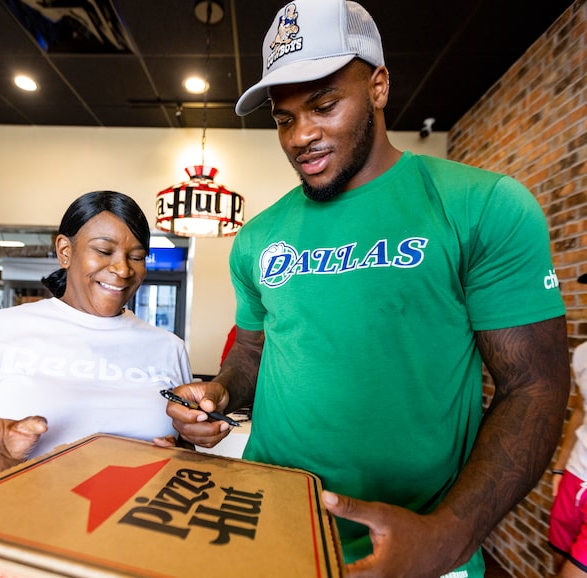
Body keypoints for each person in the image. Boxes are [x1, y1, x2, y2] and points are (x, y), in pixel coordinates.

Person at [158, 0, 570, 576]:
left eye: (324, 105)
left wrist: (450, 536)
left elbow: (534, 386)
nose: (301, 135)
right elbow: (253, 353)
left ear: (378, 86)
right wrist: (220, 394)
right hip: (268, 525)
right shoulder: (258, 237)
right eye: (283, 118)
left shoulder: (482, 206)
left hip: (420, 541)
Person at [0, 191, 192, 493]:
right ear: (65, 250)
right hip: (22, 531)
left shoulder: (170, 348)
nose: (123, 270)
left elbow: (191, 461)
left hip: (140, 534)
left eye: (136, 257)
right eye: (104, 251)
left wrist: (179, 460)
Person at [549, 274, 587, 577]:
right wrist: (560, 469)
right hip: (575, 476)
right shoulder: (583, 353)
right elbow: (580, 409)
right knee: (559, 561)